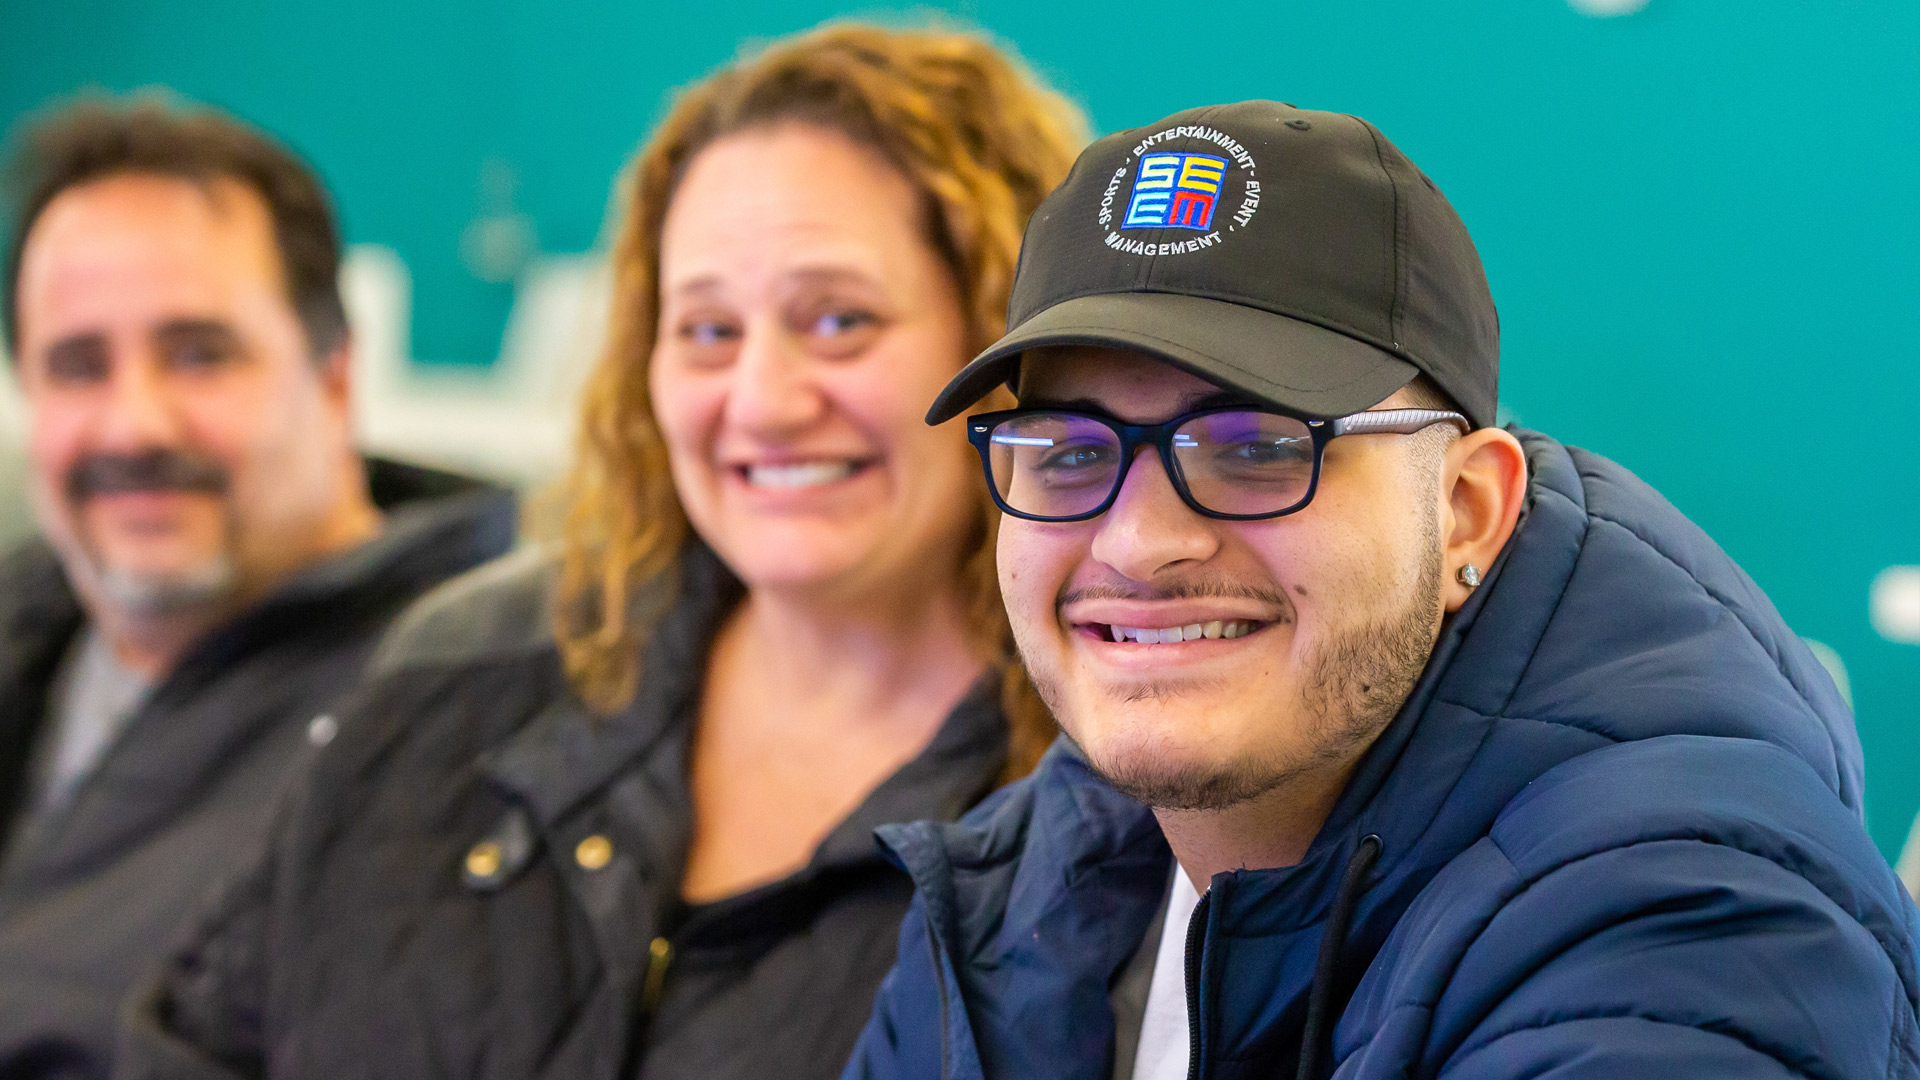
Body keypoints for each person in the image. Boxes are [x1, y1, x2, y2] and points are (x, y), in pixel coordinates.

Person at [844, 101, 1919, 1080]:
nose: (1139, 540)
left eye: (1259, 448)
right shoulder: (1023, 885)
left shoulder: (1683, 927)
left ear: (1467, 511)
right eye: (1071, 453)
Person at [119, 25, 1083, 1080]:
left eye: (840, 320)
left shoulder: (1101, 799)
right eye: (708, 331)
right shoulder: (472, 663)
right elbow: (195, 1039)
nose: (761, 400)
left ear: (1000, 347)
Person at [0, 98, 515, 1073]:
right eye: (76, 366)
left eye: (200, 354)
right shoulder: (31, 632)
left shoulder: (462, 706)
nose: (132, 425)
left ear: (333, 376)